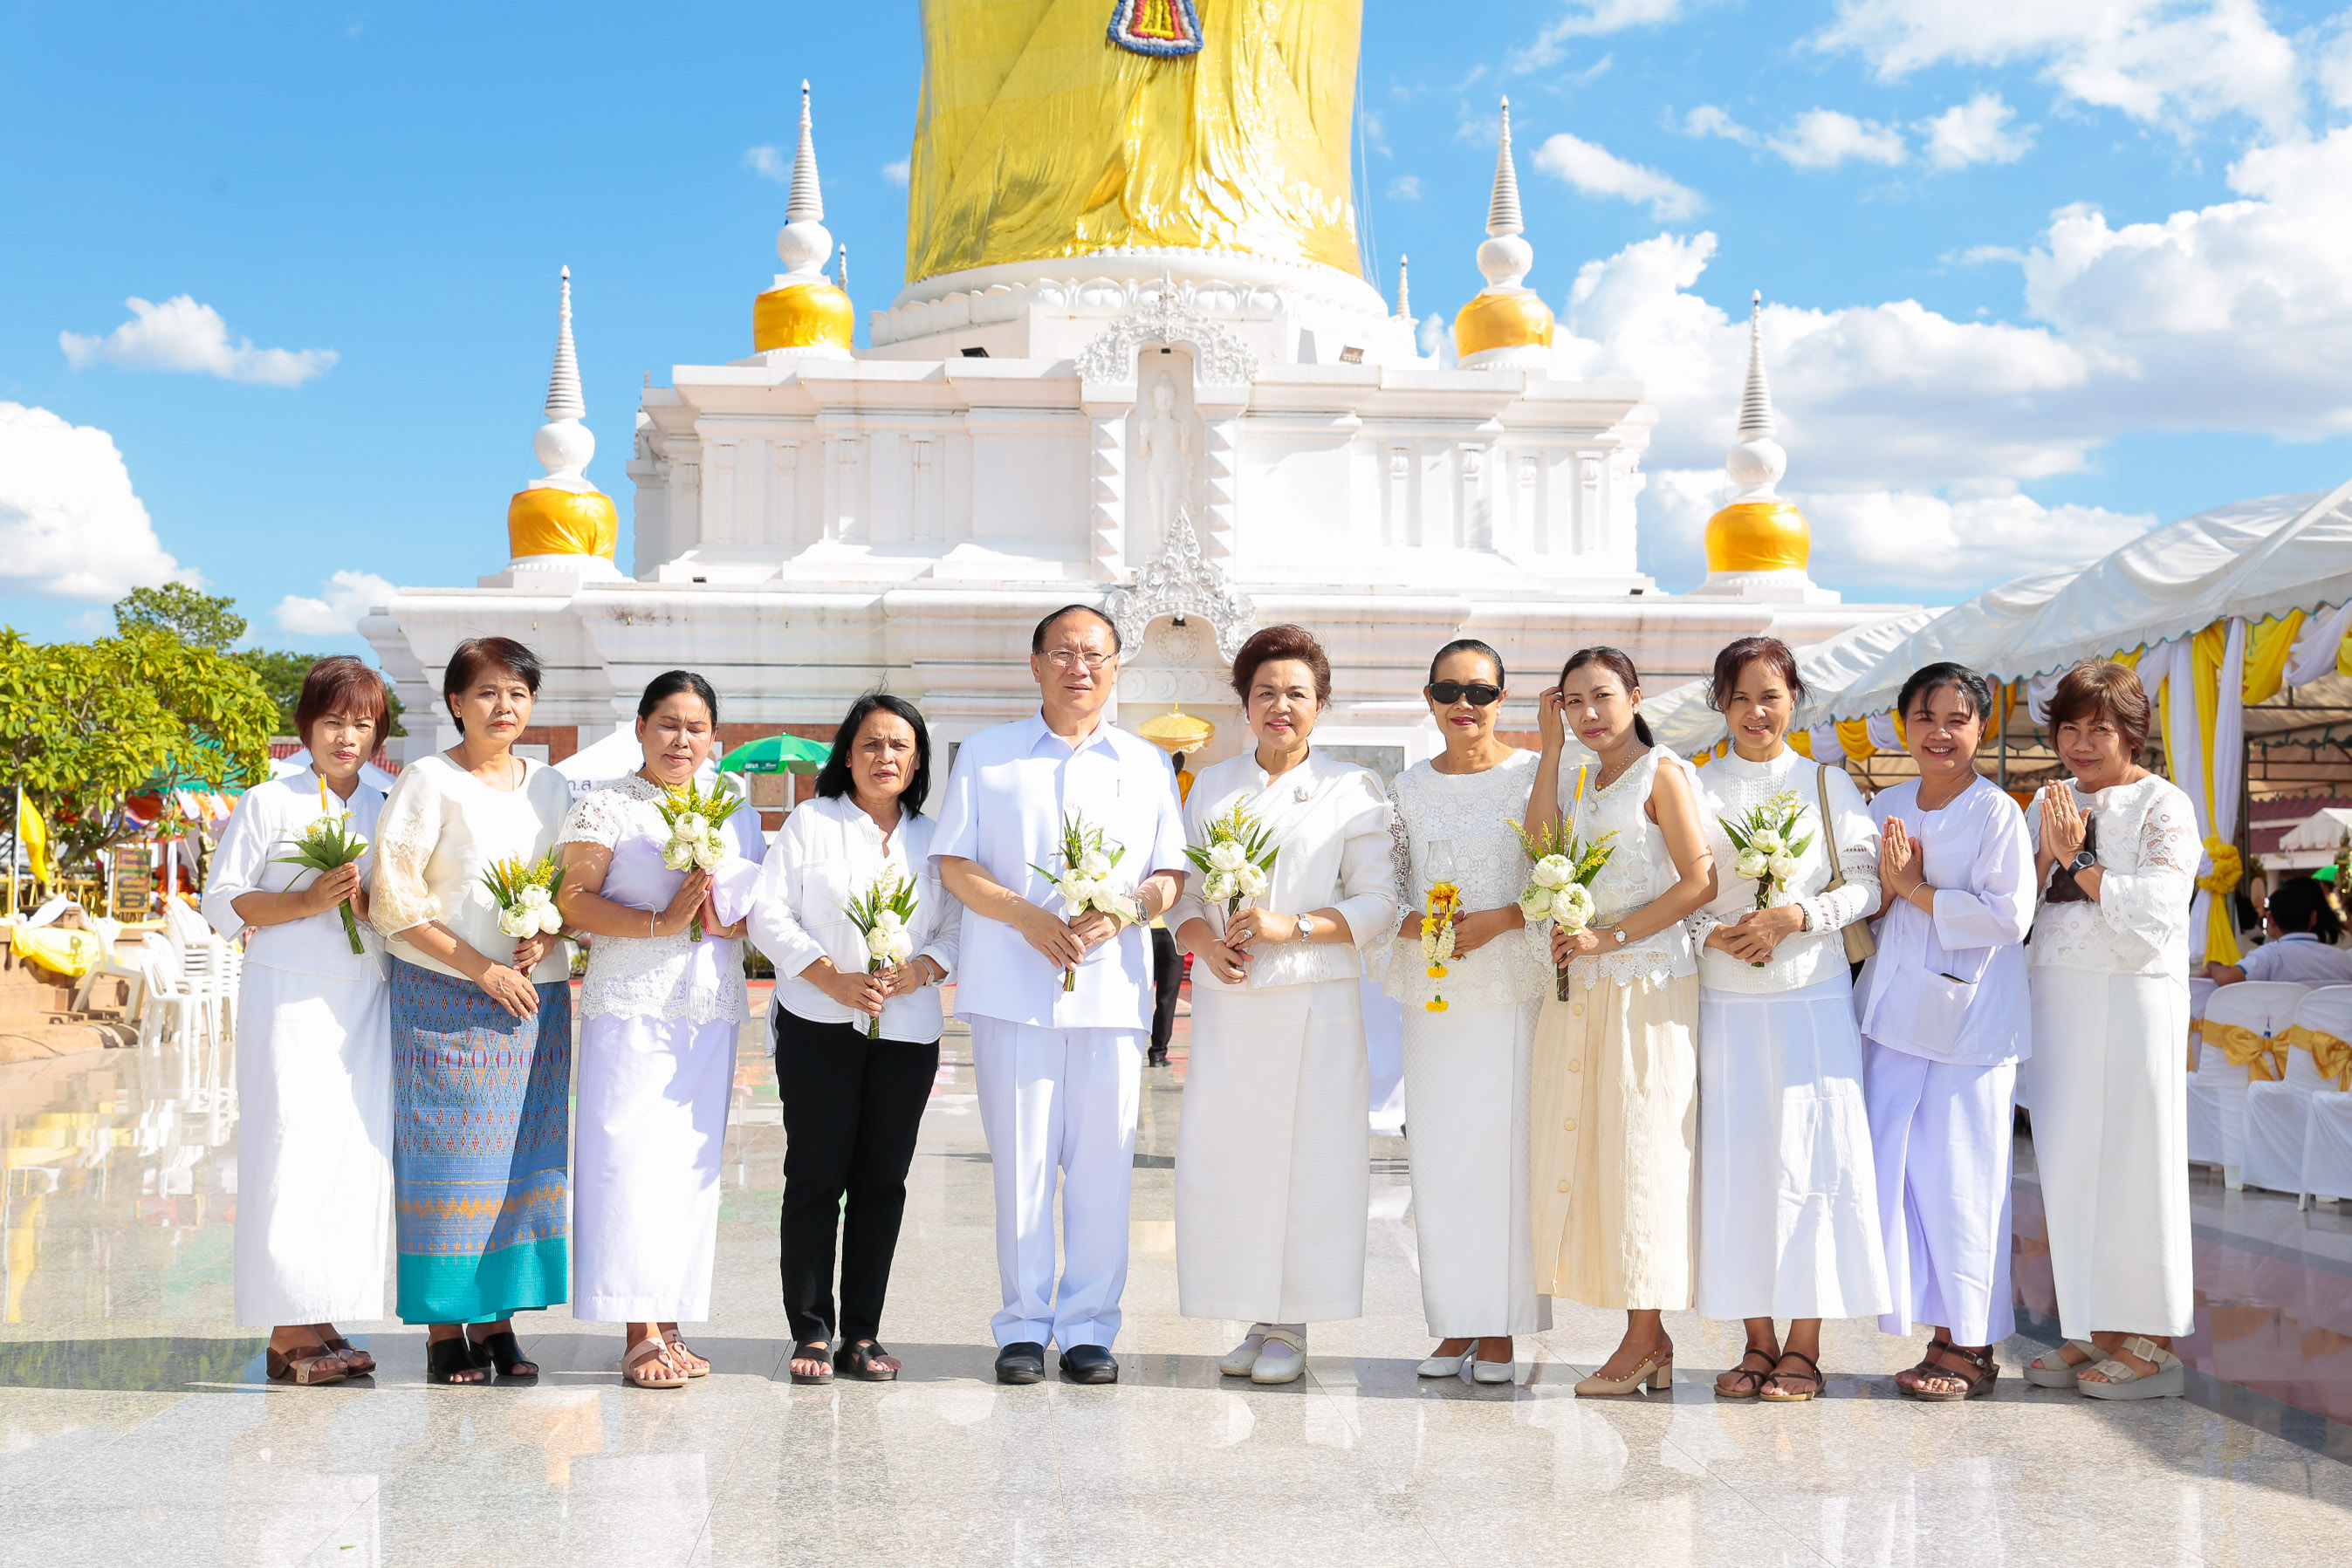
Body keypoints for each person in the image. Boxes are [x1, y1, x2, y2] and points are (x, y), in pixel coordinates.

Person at [933, 606, 1188, 1386]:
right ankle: (1021, 1324)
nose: (1080, 667)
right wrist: (1025, 917)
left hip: (1111, 994)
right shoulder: (987, 755)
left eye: (1095, 654)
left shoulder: (1145, 762)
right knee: (1022, 1164)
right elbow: (955, 863)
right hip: (1015, 989)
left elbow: (1169, 876)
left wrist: (1124, 911)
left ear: (1116, 667)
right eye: (1063, 652)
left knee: (1105, 1165)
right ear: (1036, 662)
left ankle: (1087, 1327)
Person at [1169, 625, 1396, 1384]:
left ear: (1320, 705)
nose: (1280, 705)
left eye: (1296, 693)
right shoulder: (1213, 784)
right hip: (1234, 1005)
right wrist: (1206, 938)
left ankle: (1293, 1320)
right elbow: (1187, 897)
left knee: (1309, 1161)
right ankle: (1250, 1309)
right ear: (1244, 703)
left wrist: (1287, 925)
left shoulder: (1349, 790)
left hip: (1314, 1006)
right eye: (1265, 691)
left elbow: (1377, 904)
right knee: (1234, 1160)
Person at [369, 637, 575, 1385]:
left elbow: (574, 886)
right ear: (456, 702)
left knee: (519, 1161)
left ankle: (499, 1321)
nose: (504, 707)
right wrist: (480, 966)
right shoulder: (427, 779)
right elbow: (392, 898)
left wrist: (551, 930)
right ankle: (443, 1329)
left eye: (518, 693)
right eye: (487, 692)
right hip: (445, 994)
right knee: (447, 1162)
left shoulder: (552, 787)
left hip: (534, 999)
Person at [1687, 635, 1889, 1402]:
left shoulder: (1825, 784)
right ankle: (1755, 1341)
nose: (1754, 711)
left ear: (1792, 699)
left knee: (1814, 1165)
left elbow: (1867, 885)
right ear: (1720, 703)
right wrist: (1714, 932)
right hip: (1723, 998)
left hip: (1811, 999)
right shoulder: (1693, 785)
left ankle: (1804, 1345)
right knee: (1737, 1167)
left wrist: (1796, 915)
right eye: (1738, 696)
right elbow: (1669, 890)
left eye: (1768, 695)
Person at [555, 672, 766, 1389]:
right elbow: (573, 902)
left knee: (687, 1165)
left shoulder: (731, 805)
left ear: (715, 738)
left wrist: (721, 912)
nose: (682, 740)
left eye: (697, 727)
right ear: (641, 727)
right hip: (631, 999)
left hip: (707, 1003)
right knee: (625, 1156)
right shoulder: (606, 803)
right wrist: (660, 920)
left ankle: (671, 1317)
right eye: (668, 724)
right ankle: (636, 1326)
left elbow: (746, 908)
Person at [749, 693, 960, 1387]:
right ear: (847, 752)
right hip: (819, 1023)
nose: (885, 757)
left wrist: (920, 971)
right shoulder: (811, 822)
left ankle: (861, 1332)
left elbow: (955, 930)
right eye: (870, 743)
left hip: (908, 1030)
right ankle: (811, 1329)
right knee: (815, 1176)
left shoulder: (936, 838)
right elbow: (768, 915)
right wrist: (831, 979)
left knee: (881, 1183)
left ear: (918, 759)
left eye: (900, 745)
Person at [1521, 647, 1711, 1396]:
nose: (1589, 713)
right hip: (1583, 981)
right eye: (1573, 701)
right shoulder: (1576, 776)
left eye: (1602, 696)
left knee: (1641, 1153)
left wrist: (1614, 936)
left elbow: (1701, 880)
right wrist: (1548, 752)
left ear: (1636, 697)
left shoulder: (1661, 772)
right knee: (1594, 1148)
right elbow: (1537, 849)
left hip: (1646, 983)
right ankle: (1646, 1338)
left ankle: (1643, 1337)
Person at [202, 657, 394, 1386]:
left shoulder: (388, 798)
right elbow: (225, 899)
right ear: (307, 724)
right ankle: (286, 1329)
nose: (348, 735)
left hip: (365, 994)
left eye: (363, 722)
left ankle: (322, 1309)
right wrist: (308, 903)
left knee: (349, 1155)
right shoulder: (266, 799)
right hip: (286, 995)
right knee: (288, 1148)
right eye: (334, 720)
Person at [2019, 661, 2198, 1400]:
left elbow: (2159, 912)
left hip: (2133, 995)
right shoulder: (2046, 801)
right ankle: (2089, 1325)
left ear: (2131, 731)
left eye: (2100, 727)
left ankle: (2152, 1341)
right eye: (2069, 726)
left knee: (2135, 1157)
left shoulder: (2164, 803)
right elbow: (2017, 904)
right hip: (2057, 994)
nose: (2082, 742)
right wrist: (2043, 854)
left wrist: (2079, 859)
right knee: (2066, 1161)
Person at [1855, 663, 2034, 1400]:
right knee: (1902, 1180)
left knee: (1965, 1180)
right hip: (1891, 1017)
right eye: (1925, 716)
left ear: (1979, 729)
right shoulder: (1885, 803)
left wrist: (1914, 888)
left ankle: (1971, 1346)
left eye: (1957, 718)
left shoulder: (1996, 813)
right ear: (1903, 725)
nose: (1940, 732)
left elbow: (2006, 916)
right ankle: (1934, 1331)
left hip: (1968, 1028)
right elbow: (1864, 900)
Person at [1384, 639, 1552, 1385]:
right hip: (1435, 991)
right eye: (1448, 690)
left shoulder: (1531, 777)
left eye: (1480, 693)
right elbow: (1383, 884)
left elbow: (1559, 869)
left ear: (1500, 699)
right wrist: (1413, 922)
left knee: (1506, 1157)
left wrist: (1507, 917)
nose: (1464, 705)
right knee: (1442, 1158)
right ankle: (1454, 1322)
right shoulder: (1405, 787)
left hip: (1512, 987)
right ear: (1427, 697)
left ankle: (1504, 1326)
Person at [2205, 876, 2352, 988]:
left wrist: (2212, 965)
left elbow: (2226, 979)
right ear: (2313, 917)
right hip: (2334, 1028)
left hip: (2281, 1028)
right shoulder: (2343, 959)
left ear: (2271, 920)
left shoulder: (2268, 955)